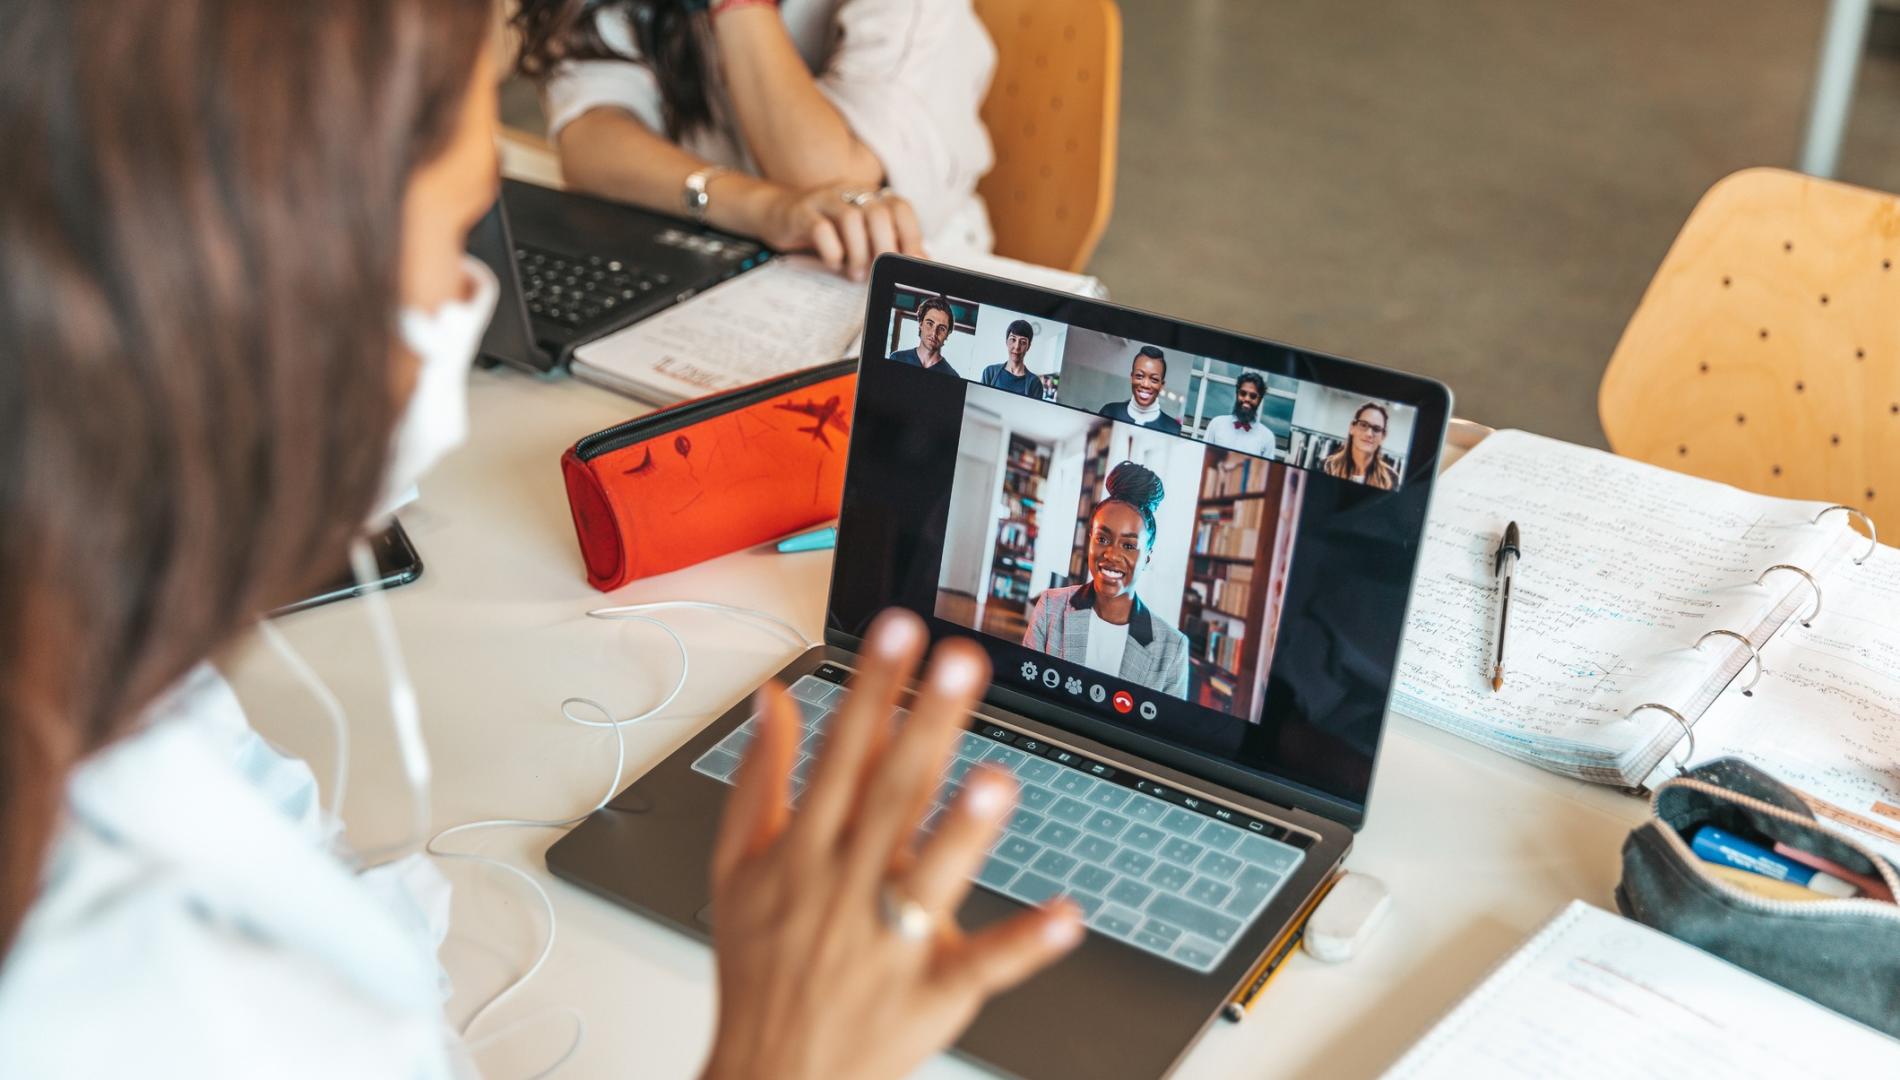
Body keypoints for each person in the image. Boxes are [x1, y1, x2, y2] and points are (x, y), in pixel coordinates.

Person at [0, 4, 1079, 1076]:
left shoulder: (104, 677)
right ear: (295, 290)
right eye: (461, 231)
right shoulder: (175, 995)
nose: (469, 300)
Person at [514, 0, 997, 281]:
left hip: (884, 268)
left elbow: (832, 185)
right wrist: (760, 208)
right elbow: (591, 143)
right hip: (716, 241)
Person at [1021, 464, 1192, 699]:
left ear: (1147, 557)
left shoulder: (1172, 648)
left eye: (1129, 545)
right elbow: (1025, 691)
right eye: (1102, 538)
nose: (1111, 555)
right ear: (1089, 541)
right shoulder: (1051, 606)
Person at [1097, 346, 1183, 434]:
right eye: (1139, 376)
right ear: (1132, 377)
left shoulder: (1173, 429)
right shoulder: (1109, 412)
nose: (1145, 385)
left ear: (1162, 385)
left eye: (1154, 379)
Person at [1321, 402, 1401, 489]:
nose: (1369, 434)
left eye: (1377, 429)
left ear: (1383, 436)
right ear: (1352, 428)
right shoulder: (1327, 466)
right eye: (1363, 425)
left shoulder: (1390, 478)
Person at [1202, 372, 1278, 459]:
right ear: (1237, 394)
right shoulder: (1216, 424)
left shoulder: (1267, 437)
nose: (1247, 399)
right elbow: (1203, 457)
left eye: (1253, 396)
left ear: (1259, 400)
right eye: (1243, 393)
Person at [887, 294, 962, 377]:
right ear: (921, 324)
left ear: (947, 334)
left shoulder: (952, 376)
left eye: (941, 328)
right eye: (929, 323)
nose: (934, 333)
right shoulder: (897, 358)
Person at [979, 319, 1053, 398]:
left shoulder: (1034, 383)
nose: (1017, 347)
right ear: (1006, 342)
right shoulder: (990, 372)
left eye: (1023, 342)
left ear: (1028, 347)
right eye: (1013, 340)